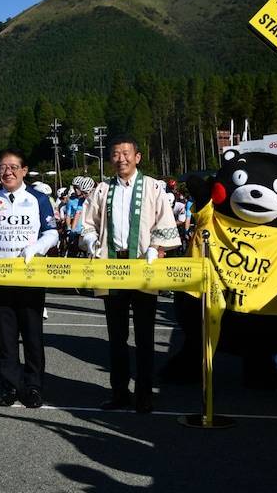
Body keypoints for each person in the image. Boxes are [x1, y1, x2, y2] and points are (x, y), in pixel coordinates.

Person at [81, 135, 180, 413]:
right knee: (116, 335)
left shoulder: (153, 187)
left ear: (137, 157)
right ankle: (120, 391)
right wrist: (90, 238)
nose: (121, 158)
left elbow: (164, 222)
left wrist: (156, 248)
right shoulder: (102, 189)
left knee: (145, 335)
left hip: (142, 264)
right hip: (111, 265)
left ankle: (144, 393)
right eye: (115, 154)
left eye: (126, 153)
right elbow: (87, 222)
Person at [0, 148, 59, 408]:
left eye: (13, 167)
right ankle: (9, 387)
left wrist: (36, 248)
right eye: (2, 167)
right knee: (6, 335)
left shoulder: (38, 198)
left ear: (24, 171)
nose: (7, 172)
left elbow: (51, 233)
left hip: (30, 274)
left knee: (32, 334)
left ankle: (33, 387)